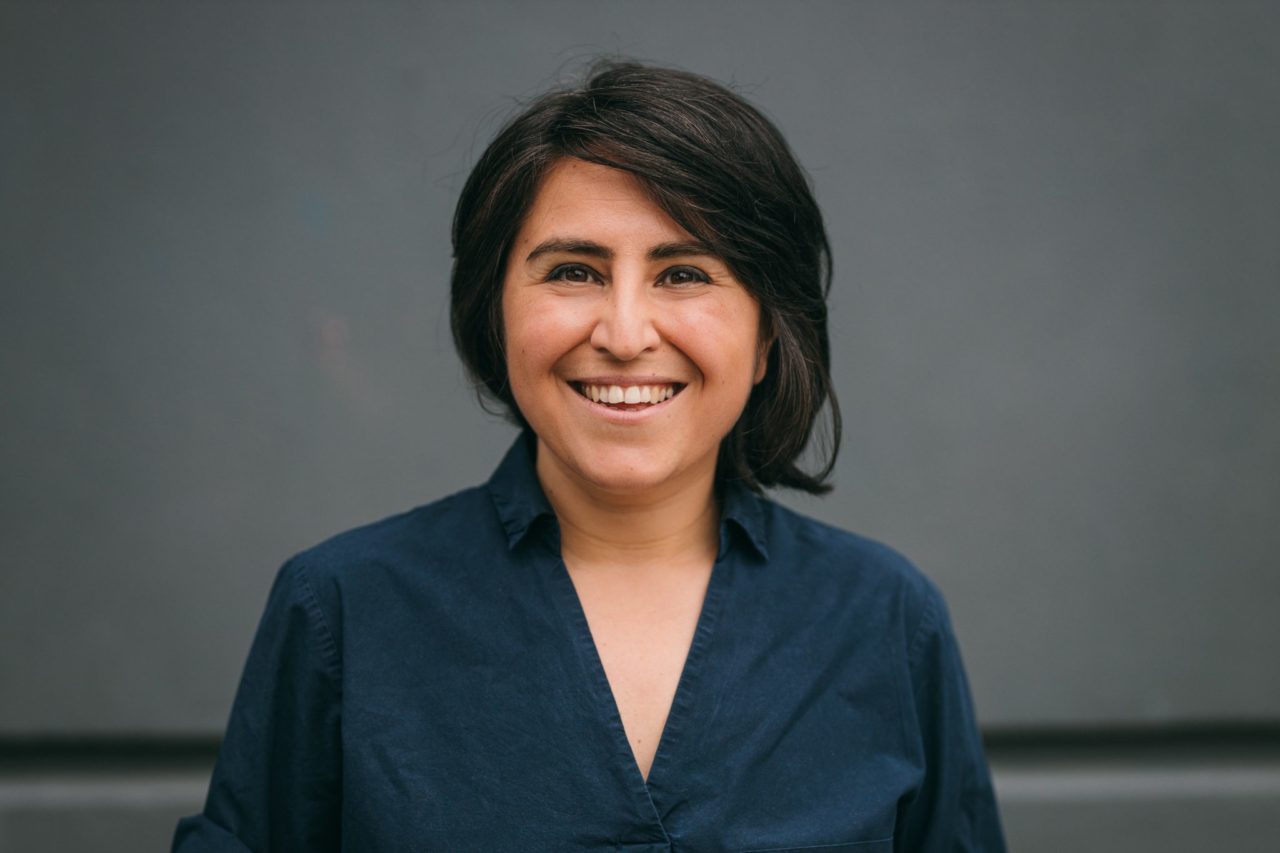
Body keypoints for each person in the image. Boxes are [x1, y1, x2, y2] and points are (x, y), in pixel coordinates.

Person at [173, 61, 1005, 852]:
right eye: (574, 271)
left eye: (684, 274)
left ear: (767, 334)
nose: (626, 333)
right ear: (496, 315)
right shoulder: (342, 610)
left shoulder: (886, 620)